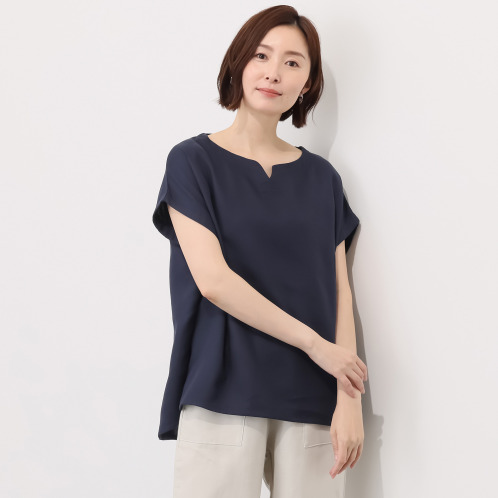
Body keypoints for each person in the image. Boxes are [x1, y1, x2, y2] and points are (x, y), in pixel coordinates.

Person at [152, 5, 368, 497]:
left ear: (307, 83)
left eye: (293, 63)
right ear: (239, 63)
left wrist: (349, 398)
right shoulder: (192, 162)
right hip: (223, 388)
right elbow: (214, 281)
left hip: (313, 395)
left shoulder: (321, 179)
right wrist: (316, 346)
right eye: (262, 55)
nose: (274, 73)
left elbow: (339, 290)